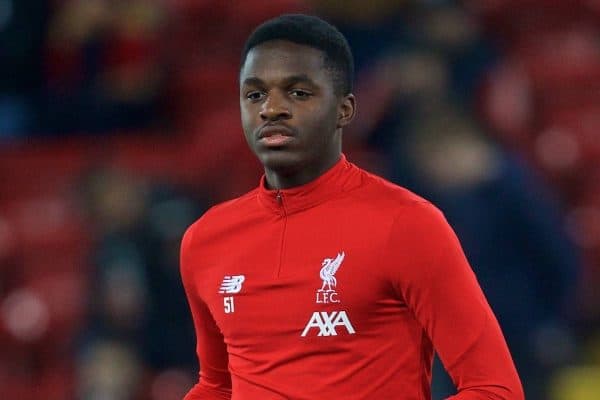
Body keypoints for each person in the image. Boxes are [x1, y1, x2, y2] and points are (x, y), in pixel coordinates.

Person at [180, 14, 523, 400]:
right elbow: (217, 386)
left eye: (298, 93)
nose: (270, 109)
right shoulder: (205, 240)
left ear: (345, 110)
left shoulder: (406, 223)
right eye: (255, 94)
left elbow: (495, 389)